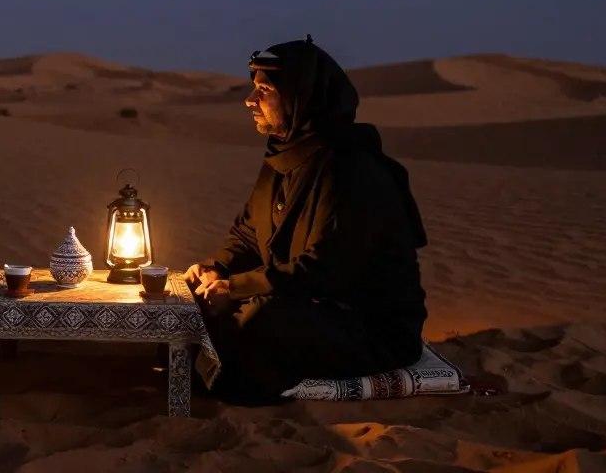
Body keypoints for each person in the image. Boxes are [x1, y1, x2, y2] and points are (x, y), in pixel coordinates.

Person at [184, 35, 429, 405]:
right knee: (194, 300)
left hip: (369, 327)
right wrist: (217, 268)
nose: (250, 100)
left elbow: (326, 270)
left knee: (260, 320)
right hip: (303, 303)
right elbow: (248, 235)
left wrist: (236, 288)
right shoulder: (284, 158)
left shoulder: (349, 169)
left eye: (264, 90)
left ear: (300, 98)